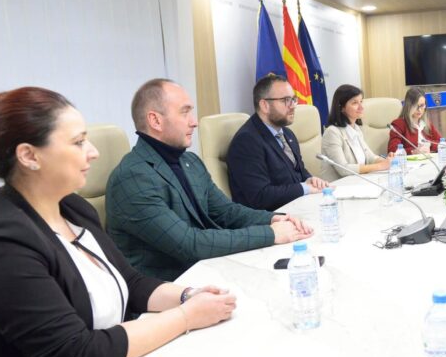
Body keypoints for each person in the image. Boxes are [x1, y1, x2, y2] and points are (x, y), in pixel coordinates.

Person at [0, 87, 237, 357]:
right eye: (78, 142)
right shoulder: (2, 244)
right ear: (29, 155)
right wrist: (187, 317)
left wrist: (189, 296)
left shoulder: (72, 208)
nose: (93, 152)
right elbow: (78, 354)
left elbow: (132, 282)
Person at [106, 79, 311, 281]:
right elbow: (189, 244)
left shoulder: (189, 161)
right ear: (155, 121)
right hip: (170, 286)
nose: (194, 122)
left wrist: (273, 219)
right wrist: (270, 234)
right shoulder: (132, 178)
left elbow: (226, 212)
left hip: (208, 270)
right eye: (184, 112)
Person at [227, 74, 329, 211]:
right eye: (286, 100)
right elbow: (260, 196)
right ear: (264, 105)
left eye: (293, 99)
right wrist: (304, 188)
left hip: (297, 208)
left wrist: (310, 180)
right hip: (270, 218)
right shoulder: (246, 141)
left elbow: (298, 171)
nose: (293, 106)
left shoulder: (287, 133)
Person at [320, 84, 392, 182]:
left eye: (361, 101)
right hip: (339, 186)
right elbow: (343, 169)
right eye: (355, 103)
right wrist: (380, 166)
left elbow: (370, 157)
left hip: (358, 182)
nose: (361, 107)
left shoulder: (356, 129)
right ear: (342, 107)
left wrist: (388, 161)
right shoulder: (332, 132)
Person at [387, 87, 443, 154]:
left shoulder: (426, 124)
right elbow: (393, 150)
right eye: (416, 106)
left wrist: (430, 145)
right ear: (409, 106)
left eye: (422, 105)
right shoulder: (399, 124)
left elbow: (444, 144)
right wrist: (413, 151)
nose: (419, 110)